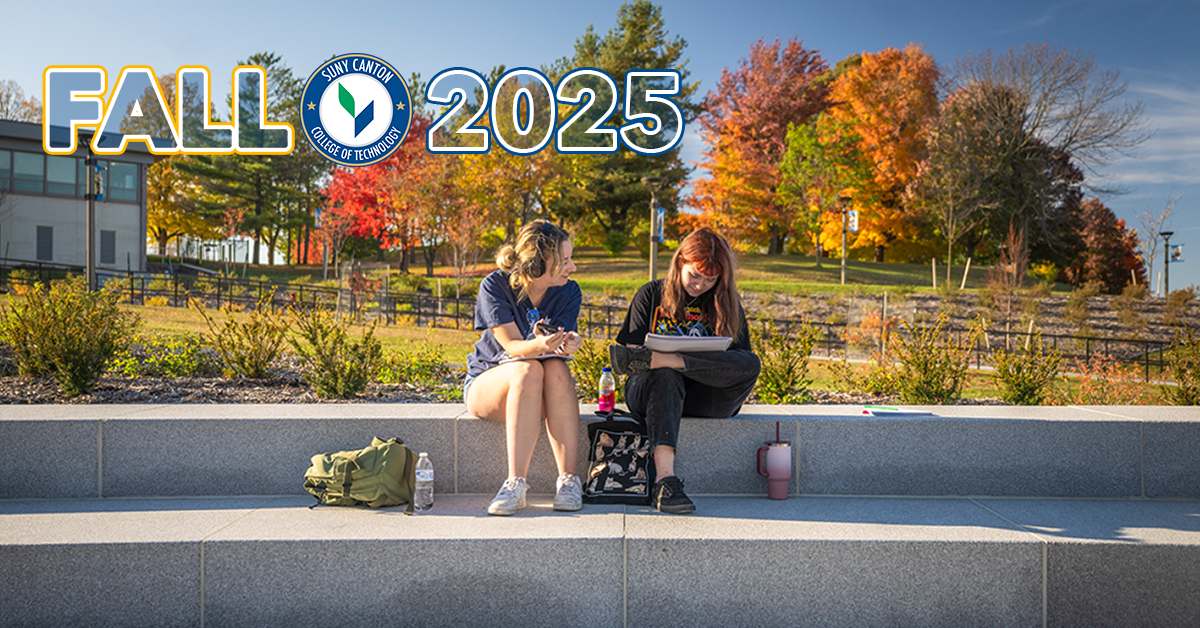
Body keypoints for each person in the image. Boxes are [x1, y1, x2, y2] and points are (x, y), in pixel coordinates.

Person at [609, 227, 760, 514]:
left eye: (710, 279)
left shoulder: (726, 304)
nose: (701, 285)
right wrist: (657, 360)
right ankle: (666, 482)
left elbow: (739, 362)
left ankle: (670, 361)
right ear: (680, 262)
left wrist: (675, 358)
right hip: (653, 391)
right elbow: (628, 357)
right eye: (695, 275)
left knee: (751, 362)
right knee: (665, 374)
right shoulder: (651, 294)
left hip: (706, 395)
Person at [464, 220, 585, 515]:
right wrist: (545, 345)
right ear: (538, 263)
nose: (573, 267)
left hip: (539, 393)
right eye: (565, 260)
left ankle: (569, 481)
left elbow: (557, 345)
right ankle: (515, 483)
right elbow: (514, 348)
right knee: (526, 368)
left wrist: (569, 343)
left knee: (557, 368)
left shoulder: (569, 292)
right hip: (490, 383)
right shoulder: (495, 285)